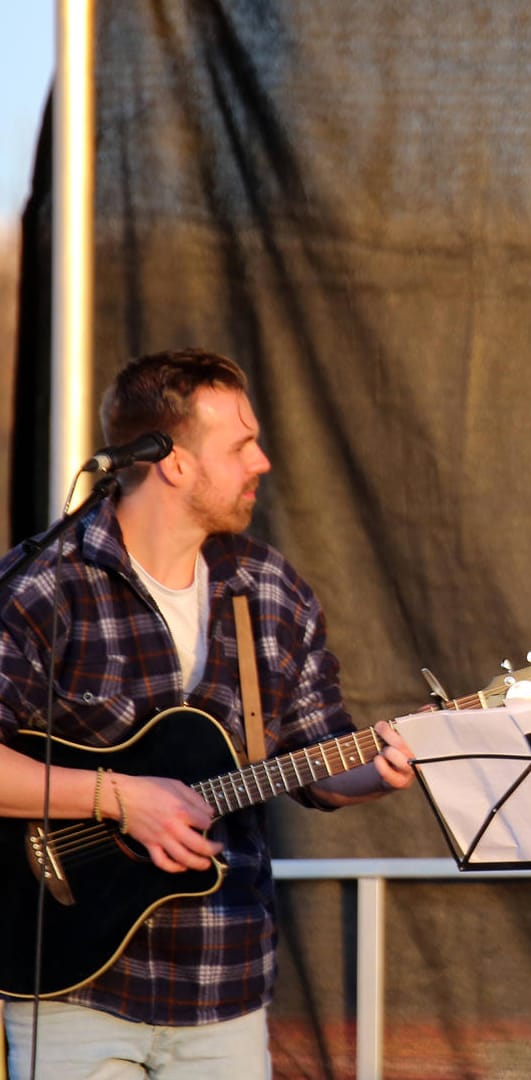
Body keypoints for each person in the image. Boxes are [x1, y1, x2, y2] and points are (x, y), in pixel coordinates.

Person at [0, 349, 416, 1078]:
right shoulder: (43, 587)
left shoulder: (271, 588)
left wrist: (375, 770)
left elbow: (319, 761)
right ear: (172, 462)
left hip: (225, 985)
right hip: (71, 989)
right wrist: (120, 797)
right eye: (241, 445)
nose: (263, 461)